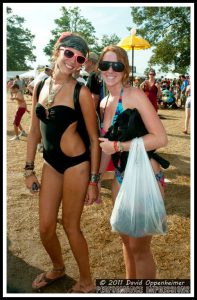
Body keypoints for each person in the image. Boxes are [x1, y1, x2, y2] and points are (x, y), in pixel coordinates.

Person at [24, 31, 101, 292]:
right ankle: (57, 268)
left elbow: (93, 138)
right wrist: (28, 169)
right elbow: (34, 131)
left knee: (71, 226)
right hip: (50, 164)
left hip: (76, 165)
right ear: (58, 51)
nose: (73, 60)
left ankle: (87, 282)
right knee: (45, 227)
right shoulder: (39, 86)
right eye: (69, 53)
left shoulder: (81, 91)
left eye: (80, 58)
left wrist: (94, 181)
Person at [98, 45, 168, 279]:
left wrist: (119, 146)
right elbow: (105, 147)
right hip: (120, 177)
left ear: (125, 69)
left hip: (144, 176)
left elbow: (160, 138)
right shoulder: (105, 102)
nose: (110, 70)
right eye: (105, 65)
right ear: (99, 68)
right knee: (126, 242)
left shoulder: (134, 95)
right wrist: (95, 180)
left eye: (116, 65)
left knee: (140, 249)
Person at [85, 52, 103, 120]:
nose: (83, 63)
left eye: (84, 60)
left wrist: (90, 116)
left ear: (90, 62)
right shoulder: (99, 74)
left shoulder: (93, 75)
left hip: (96, 113)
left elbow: (95, 97)